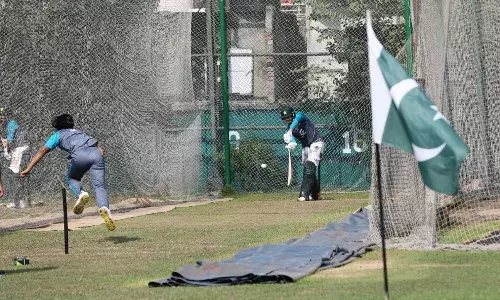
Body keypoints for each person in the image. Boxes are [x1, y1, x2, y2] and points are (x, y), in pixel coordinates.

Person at [20, 114, 115, 231]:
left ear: (57, 126)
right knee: (100, 185)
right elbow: (101, 149)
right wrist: (96, 161)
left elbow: (42, 151)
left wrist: (28, 168)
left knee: (72, 179)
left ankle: (81, 194)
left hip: (79, 155)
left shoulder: (57, 135)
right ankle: (105, 208)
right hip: (96, 154)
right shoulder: (80, 132)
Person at [281, 106, 324, 201]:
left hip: (316, 142)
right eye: (285, 118)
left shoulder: (300, 115)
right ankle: (316, 193)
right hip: (306, 146)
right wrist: (291, 143)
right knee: (309, 170)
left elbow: (295, 122)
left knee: (309, 165)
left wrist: (289, 131)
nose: (287, 119)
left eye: (289, 117)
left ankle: (304, 195)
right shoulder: (289, 128)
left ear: (293, 114)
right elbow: (292, 139)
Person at [0, 106, 29, 208]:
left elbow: (9, 142)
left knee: (16, 174)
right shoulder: (8, 124)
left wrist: (6, 148)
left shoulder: (11, 124)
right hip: (19, 149)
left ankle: (20, 201)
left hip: (20, 149)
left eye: (2, 117)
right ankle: (21, 200)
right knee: (18, 175)